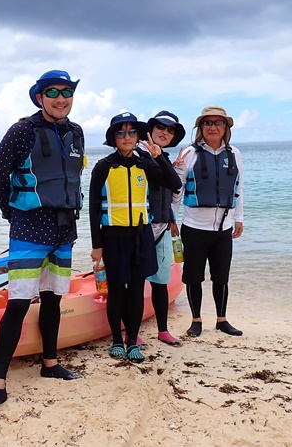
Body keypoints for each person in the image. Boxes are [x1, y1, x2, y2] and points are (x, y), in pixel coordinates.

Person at [0, 70, 85, 420]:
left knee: (53, 299)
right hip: (30, 229)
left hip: (64, 229)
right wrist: (12, 215)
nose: (61, 98)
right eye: (53, 92)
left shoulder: (76, 132)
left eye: (67, 92)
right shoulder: (22, 131)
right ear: (39, 97)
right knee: (17, 305)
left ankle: (50, 363)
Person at [89, 112, 181, 363]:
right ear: (113, 137)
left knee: (138, 290)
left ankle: (132, 341)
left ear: (138, 136)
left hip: (141, 235)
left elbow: (174, 183)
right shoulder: (103, 167)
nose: (127, 137)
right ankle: (117, 340)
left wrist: (157, 156)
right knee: (117, 290)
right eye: (121, 132)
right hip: (113, 236)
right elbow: (94, 208)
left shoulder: (145, 165)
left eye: (132, 132)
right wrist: (97, 245)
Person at [171, 106, 244, 338]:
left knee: (221, 276)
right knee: (193, 277)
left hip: (224, 228)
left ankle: (222, 320)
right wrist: (172, 218)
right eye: (207, 123)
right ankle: (196, 320)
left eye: (218, 123)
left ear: (226, 128)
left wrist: (239, 218)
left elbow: (238, 188)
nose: (212, 127)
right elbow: (176, 191)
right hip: (194, 228)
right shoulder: (189, 154)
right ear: (201, 128)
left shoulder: (235, 154)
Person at [137, 111, 185, 347]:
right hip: (139, 229)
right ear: (150, 130)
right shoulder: (136, 155)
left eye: (170, 130)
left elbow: (174, 189)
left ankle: (163, 331)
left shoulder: (165, 159)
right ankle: (132, 331)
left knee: (160, 282)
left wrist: (172, 219)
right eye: (161, 127)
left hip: (164, 228)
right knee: (133, 284)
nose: (165, 132)